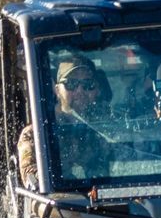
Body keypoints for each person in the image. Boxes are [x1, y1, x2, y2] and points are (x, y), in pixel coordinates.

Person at [18, 57, 115, 186]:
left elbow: (105, 174)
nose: (80, 91)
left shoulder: (101, 131)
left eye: (88, 84)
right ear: (57, 90)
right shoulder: (36, 134)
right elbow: (30, 175)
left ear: (96, 91)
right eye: (71, 84)